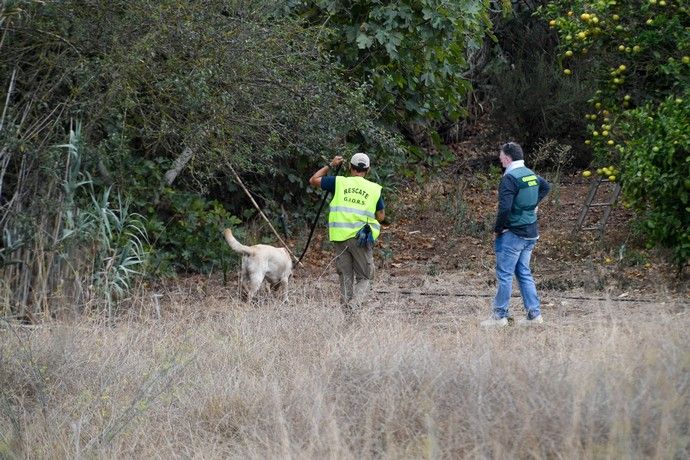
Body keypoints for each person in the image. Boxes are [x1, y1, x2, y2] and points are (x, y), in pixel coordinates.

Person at [481, 142, 551, 327]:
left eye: (501, 155)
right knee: (523, 273)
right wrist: (531, 206)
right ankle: (534, 316)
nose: (499, 158)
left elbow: (504, 208)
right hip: (531, 232)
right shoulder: (530, 174)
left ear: (508, 158)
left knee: (505, 274)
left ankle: (499, 317)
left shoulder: (509, 178)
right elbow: (546, 187)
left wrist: (498, 229)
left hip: (514, 234)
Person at [309, 153, 385, 318]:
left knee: (345, 277)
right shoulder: (374, 189)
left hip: (340, 237)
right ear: (368, 169)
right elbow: (381, 216)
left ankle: (349, 318)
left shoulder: (339, 182)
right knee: (365, 277)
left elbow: (314, 180)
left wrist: (331, 164)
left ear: (350, 167)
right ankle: (354, 305)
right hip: (361, 239)